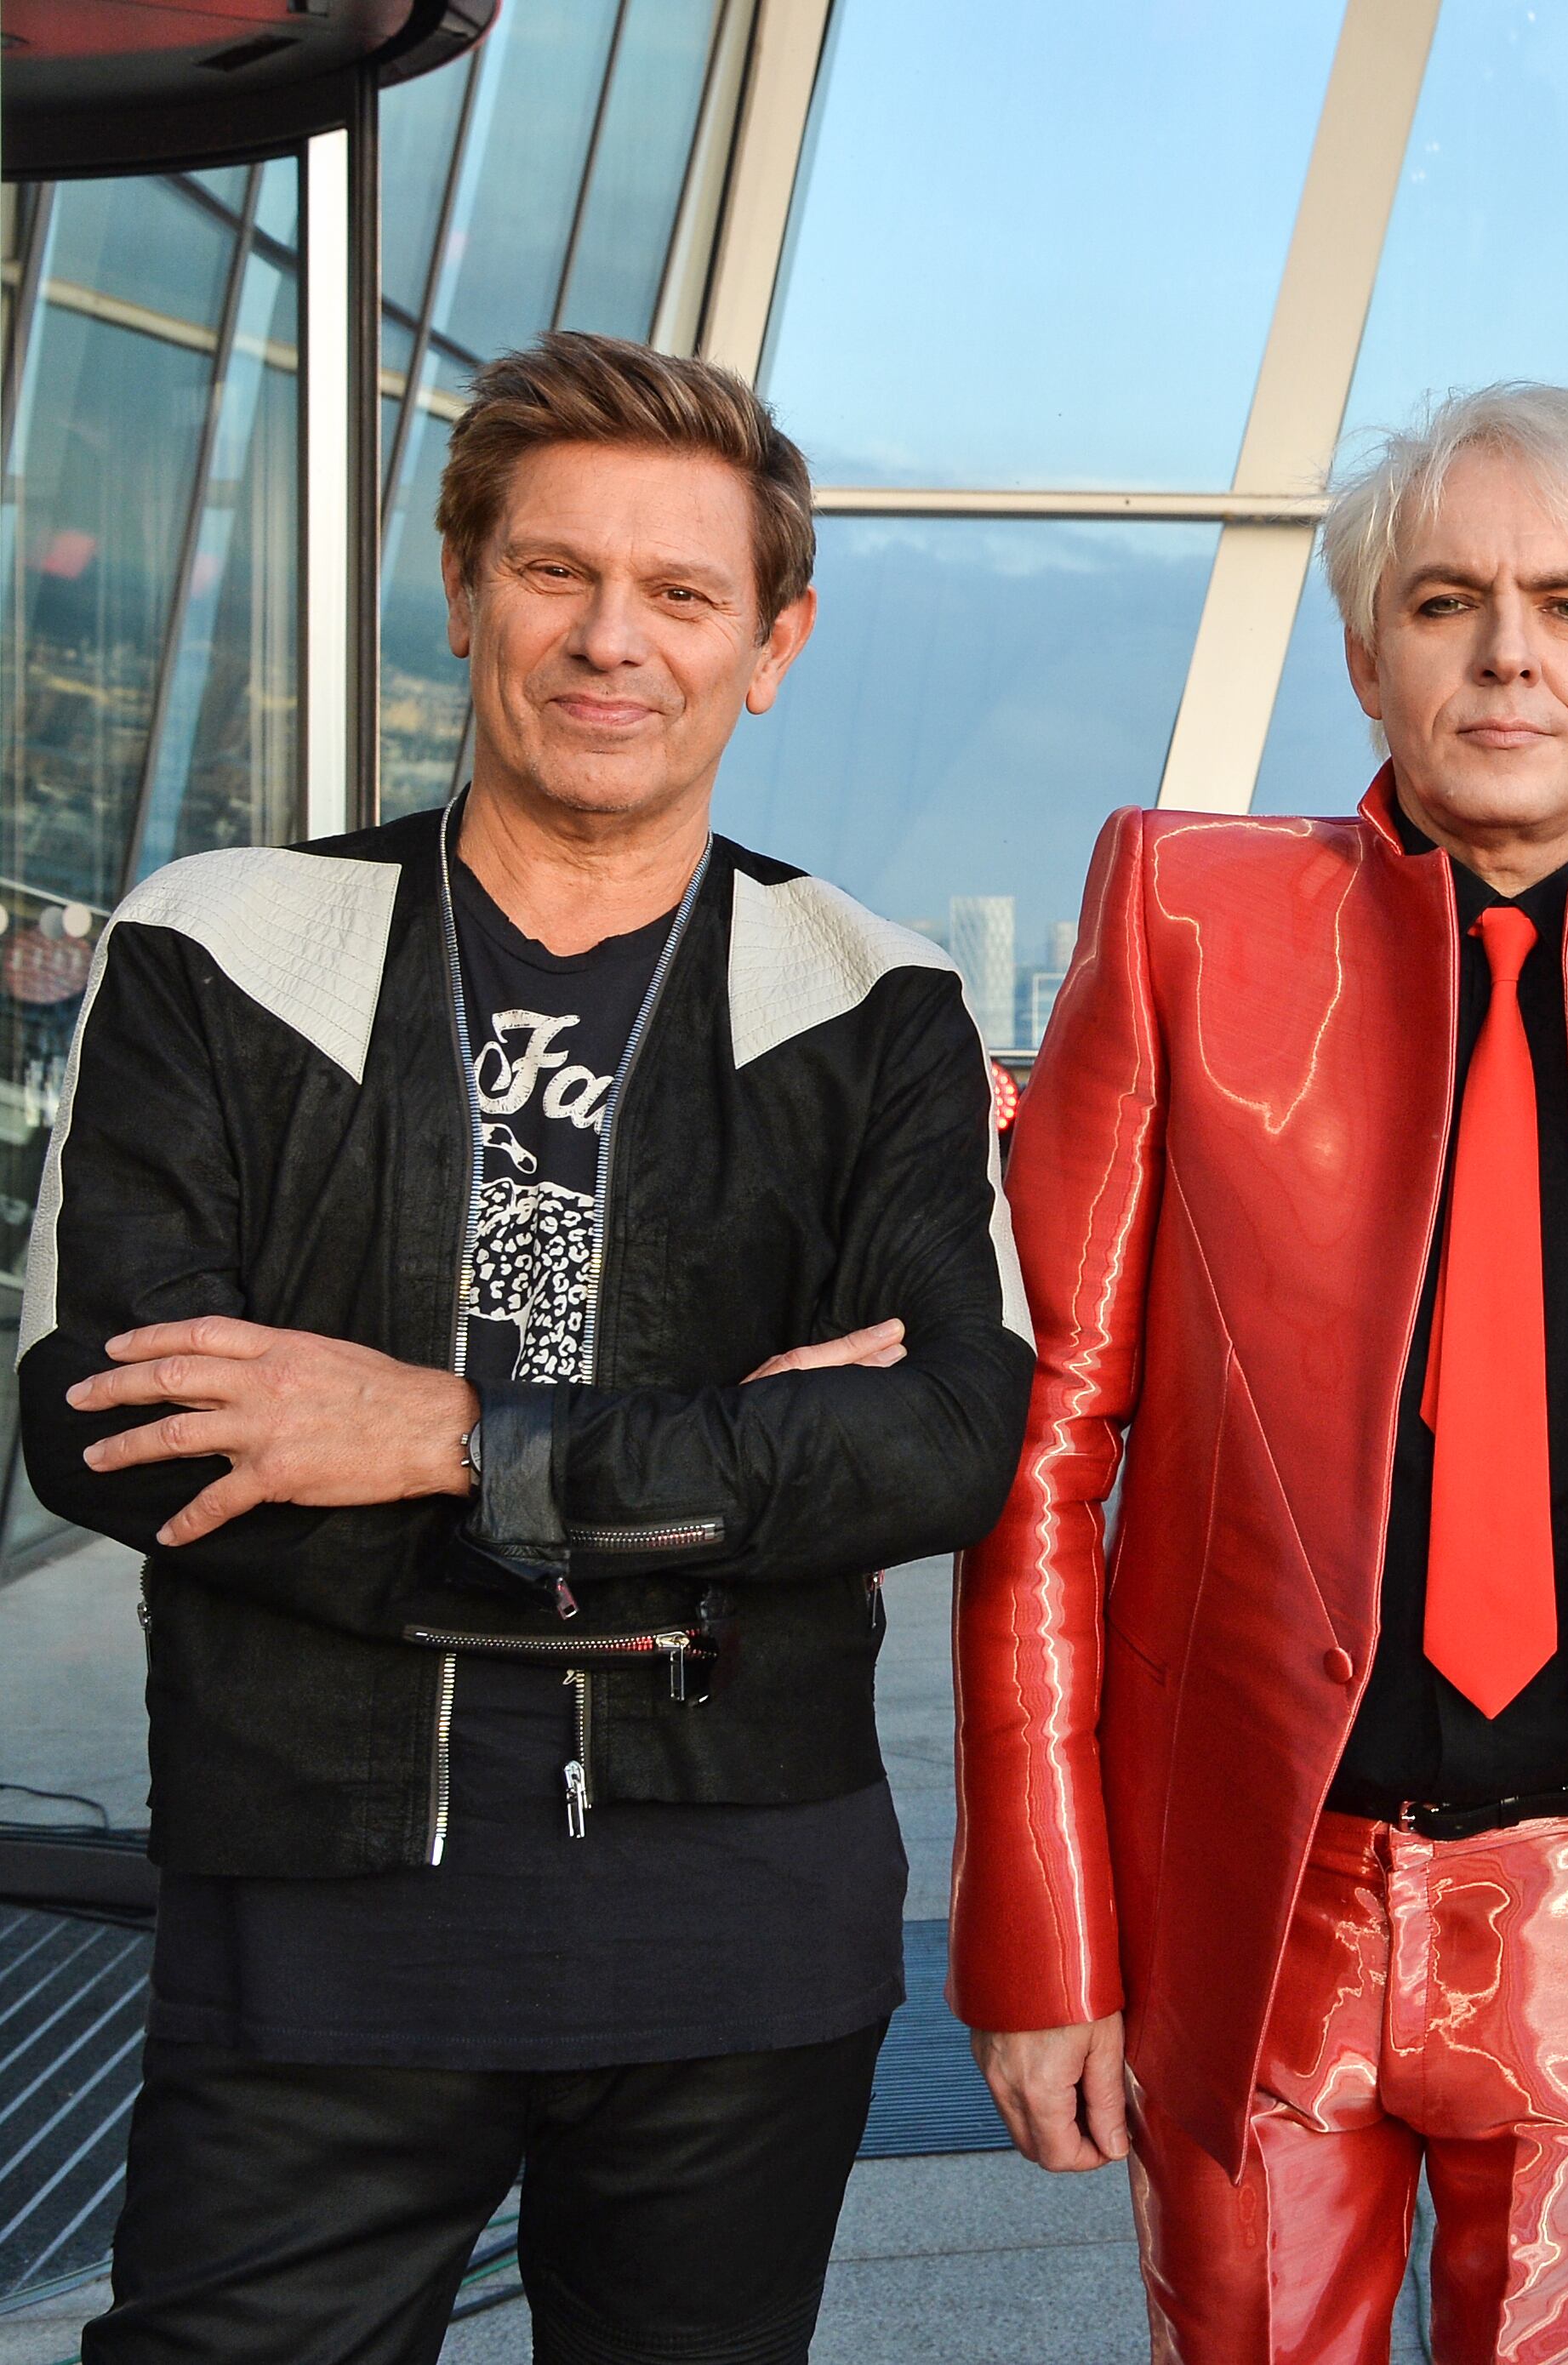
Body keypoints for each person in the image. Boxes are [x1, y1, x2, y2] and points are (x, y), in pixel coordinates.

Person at [19, 330, 1034, 2363]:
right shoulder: (219, 940)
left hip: (737, 1939)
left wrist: (442, 1435)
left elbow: (936, 1440)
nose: (611, 641)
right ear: (468, 585)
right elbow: (108, 1421)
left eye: (681, 592)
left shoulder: (875, 993)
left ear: (773, 641)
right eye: (557, 572)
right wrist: (719, 1478)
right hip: (316, 1922)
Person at [951, 382, 1568, 2365]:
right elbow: (1047, 1452)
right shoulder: (1185, 914)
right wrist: (1046, 1934)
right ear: (1368, 648)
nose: (1508, 652)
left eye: (1565, 600)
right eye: (1449, 598)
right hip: (1258, 1905)